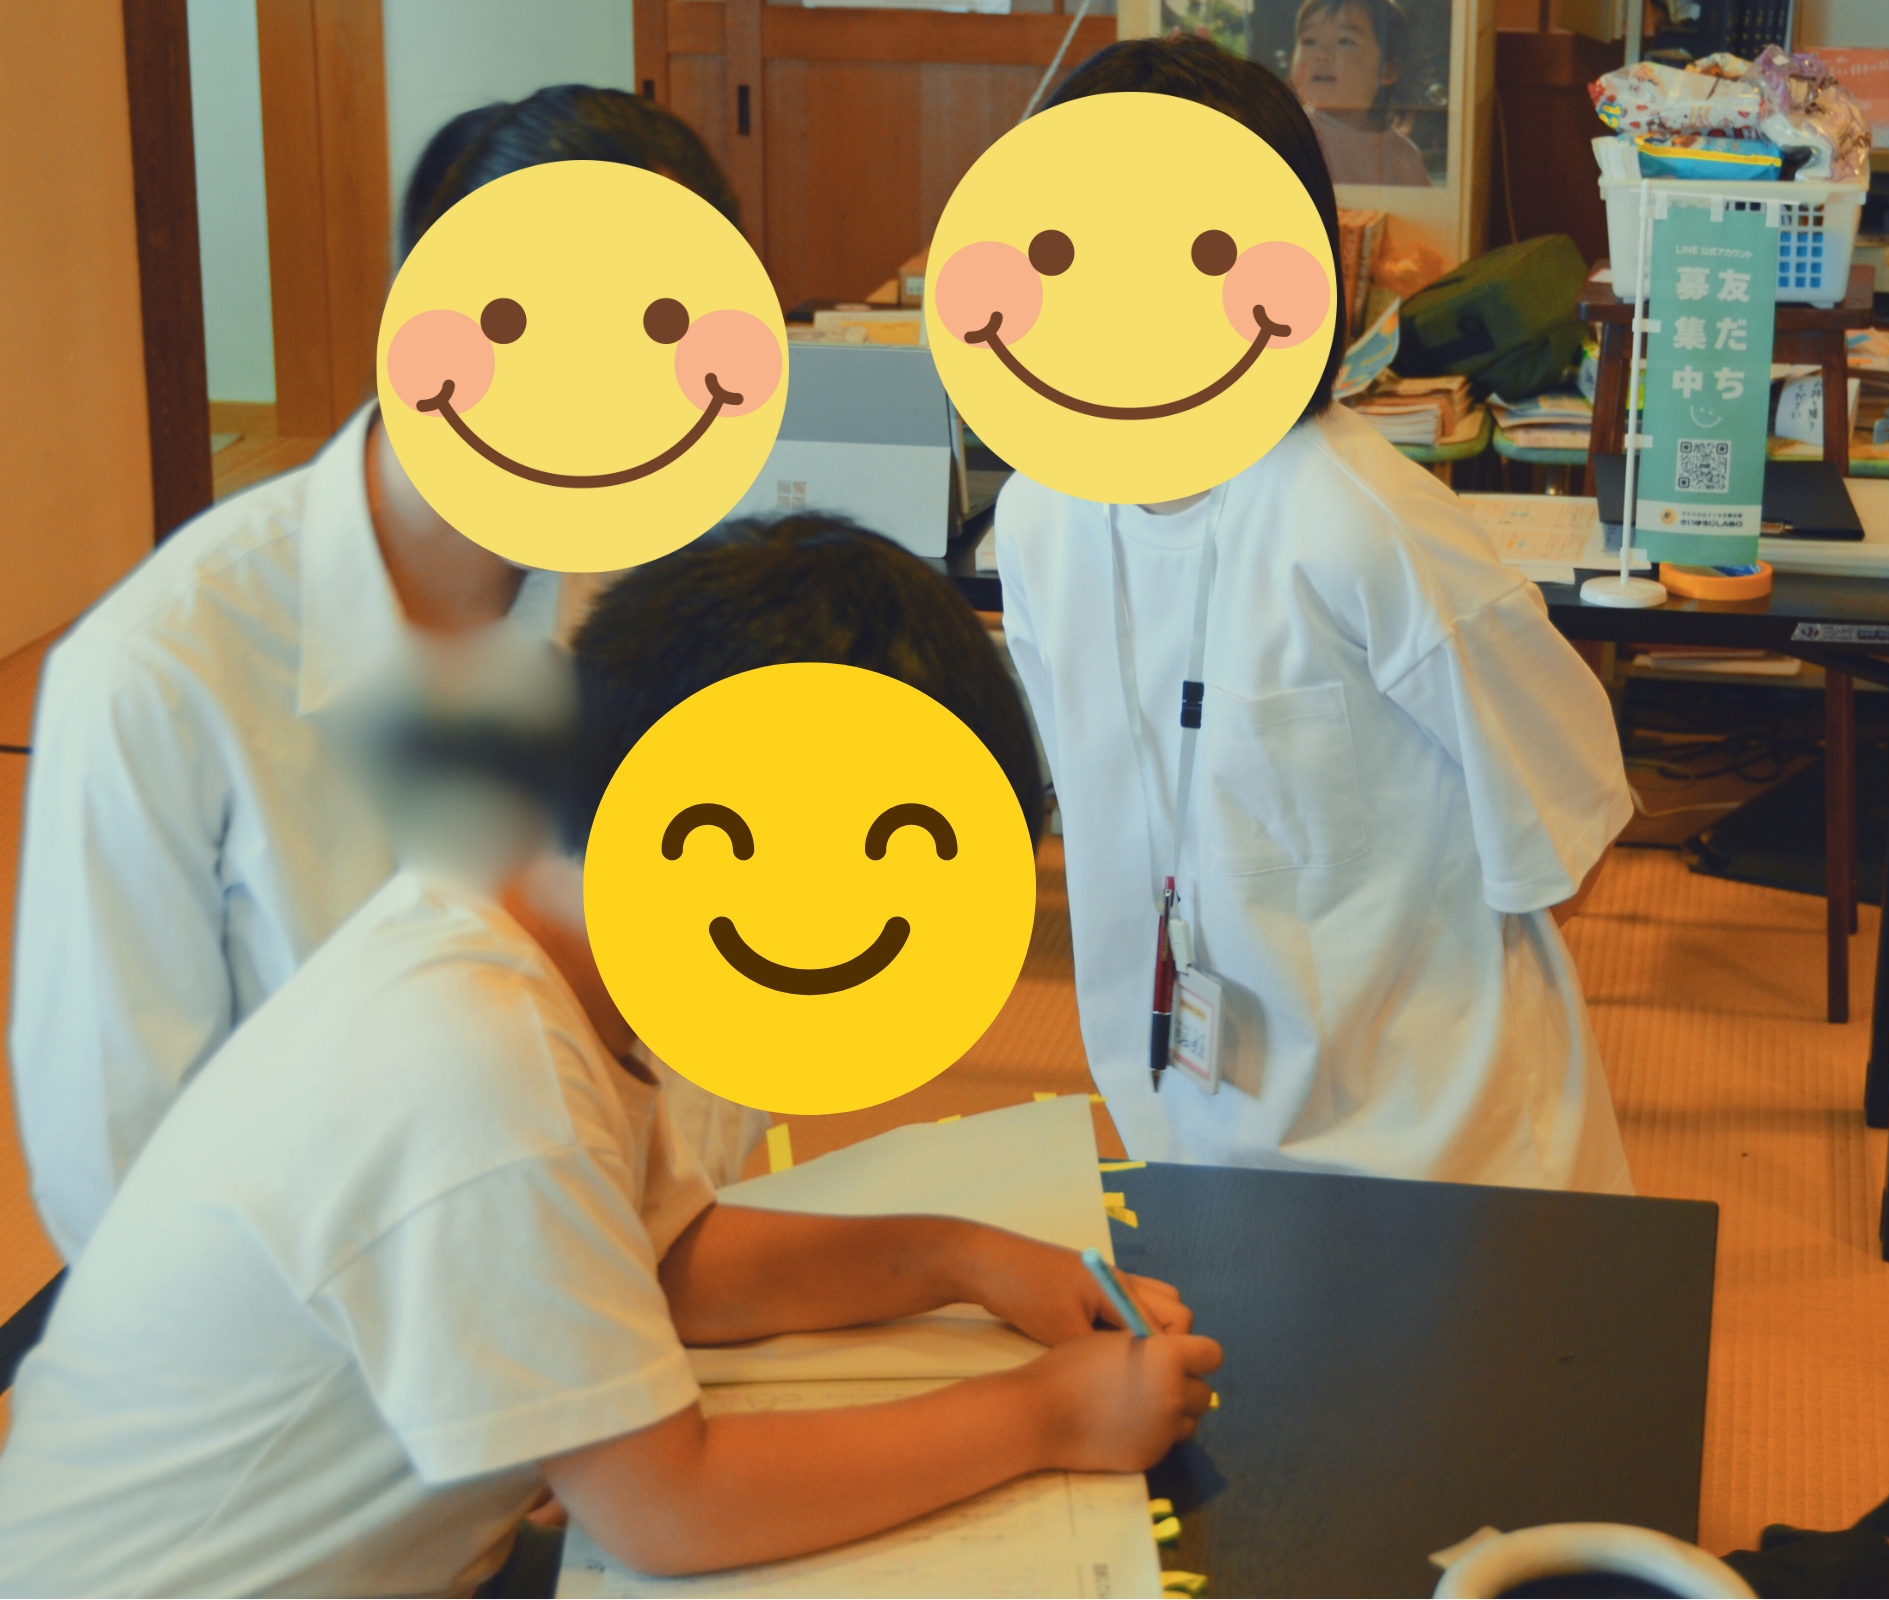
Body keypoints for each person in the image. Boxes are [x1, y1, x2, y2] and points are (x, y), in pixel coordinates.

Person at [0, 515, 1225, 1597]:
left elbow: (663, 1261)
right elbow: (666, 1509)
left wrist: (965, 1259)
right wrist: (1044, 1415)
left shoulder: (513, 925)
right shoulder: (481, 1060)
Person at [9, 85, 763, 1265]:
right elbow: (111, 1160)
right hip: (305, 1337)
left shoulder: (662, 620)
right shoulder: (162, 669)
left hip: (623, 1287)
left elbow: (712, 1036)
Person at [998, 37, 1634, 1192]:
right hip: (1176, 1105)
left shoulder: (1357, 519)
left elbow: (1566, 806)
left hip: (1435, 1144)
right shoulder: (1038, 516)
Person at [1289, 0, 1432, 188]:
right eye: (1309, 41)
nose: (1321, 54)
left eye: (1344, 41)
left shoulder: (1402, 155)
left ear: (1388, 70)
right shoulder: (1290, 135)